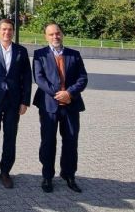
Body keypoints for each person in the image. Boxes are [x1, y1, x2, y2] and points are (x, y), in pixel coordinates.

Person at [33, 23, 88, 193]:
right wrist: (58, 93)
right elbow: (39, 78)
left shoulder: (74, 55)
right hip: (49, 105)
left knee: (71, 142)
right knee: (48, 142)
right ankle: (47, 176)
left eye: (57, 33)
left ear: (62, 34)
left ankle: (69, 175)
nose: (55, 37)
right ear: (46, 37)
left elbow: (83, 78)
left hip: (71, 105)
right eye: (51, 34)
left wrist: (69, 93)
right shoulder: (39, 55)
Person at [0, 18, 32, 189]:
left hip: (13, 102)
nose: (7, 32)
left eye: (10, 29)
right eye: (3, 29)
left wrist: (25, 101)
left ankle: (5, 172)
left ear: (13, 31)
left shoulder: (21, 51)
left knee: (10, 137)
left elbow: (27, 79)